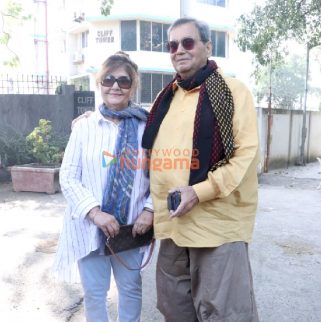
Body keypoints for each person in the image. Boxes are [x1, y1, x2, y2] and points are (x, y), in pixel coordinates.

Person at [142, 18, 260, 322]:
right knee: (175, 310)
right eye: (172, 45)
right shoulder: (164, 98)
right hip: (172, 226)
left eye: (188, 42)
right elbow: (144, 142)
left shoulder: (233, 92)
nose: (179, 50)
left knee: (224, 313)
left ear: (207, 46)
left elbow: (245, 157)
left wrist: (198, 191)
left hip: (216, 227)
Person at [53, 51, 154, 322]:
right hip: (90, 228)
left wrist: (150, 210)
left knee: (131, 290)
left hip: (132, 228)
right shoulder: (84, 128)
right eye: (109, 79)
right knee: (95, 294)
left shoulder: (148, 129)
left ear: (133, 86)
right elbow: (69, 177)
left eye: (124, 80)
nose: (115, 86)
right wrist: (95, 213)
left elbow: (160, 176)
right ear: (99, 83)